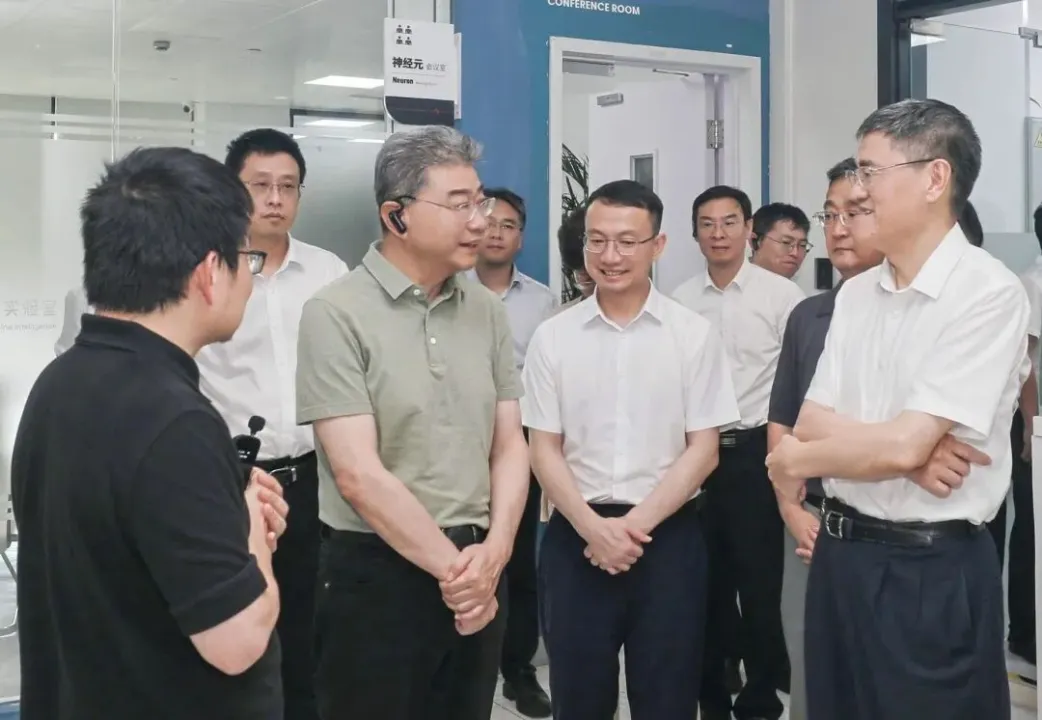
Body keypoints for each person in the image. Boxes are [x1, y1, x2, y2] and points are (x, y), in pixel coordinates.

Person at [767, 98, 1025, 719]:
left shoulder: (986, 292)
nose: (857, 191)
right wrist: (903, 452)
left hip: (928, 568)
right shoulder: (857, 294)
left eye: (870, 172)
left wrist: (810, 458)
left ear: (935, 178)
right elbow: (811, 423)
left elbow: (882, 442)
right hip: (839, 559)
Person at [11, 146, 289, 719]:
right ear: (210, 273)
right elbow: (237, 641)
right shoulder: (175, 422)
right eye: (247, 259)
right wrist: (254, 537)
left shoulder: (60, 382)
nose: (250, 279)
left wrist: (227, 516)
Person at [295, 125, 531, 720]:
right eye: (458, 205)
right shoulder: (335, 313)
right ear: (396, 216)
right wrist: (459, 577)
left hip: (479, 561)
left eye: (480, 202)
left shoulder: (485, 311)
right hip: (377, 574)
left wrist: (496, 553)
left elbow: (509, 445)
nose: (480, 221)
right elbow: (357, 474)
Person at [524, 179, 740, 720]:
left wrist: (631, 529)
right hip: (576, 539)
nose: (610, 256)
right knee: (578, 699)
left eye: (626, 242)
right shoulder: (554, 336)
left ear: (657, 246)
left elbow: (704, 450)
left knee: (667, 698)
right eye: (596, 241)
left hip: (667, 540)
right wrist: (594, 530)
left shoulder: (692, 335)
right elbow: (543, 448)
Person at [673, 185, 804, 720]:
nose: (719, 233)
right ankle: (711, 695)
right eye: (707, 223)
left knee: (759, 582)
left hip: (756, 454)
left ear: (749, 230)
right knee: (704, 582)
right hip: (697, 456)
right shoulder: (680, 300)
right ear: (695, 233)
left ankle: (760, 695)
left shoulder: (781, 297)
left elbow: (799, 381)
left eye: (730, 222)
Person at [469, 187, 554, 717]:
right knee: (460, 548)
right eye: (490, 222)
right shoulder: (447, 290)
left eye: (509, 225)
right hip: (458, 438)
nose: (497, 232)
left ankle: (518, 670)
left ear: (521, 237)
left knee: (518, 560)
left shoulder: (542, 303)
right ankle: (463, 660)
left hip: (520, 440)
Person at [750, 202, 812, 279]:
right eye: (786, 242)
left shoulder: (793, 287)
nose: (795, 253)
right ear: (755, 241)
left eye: (802, 245)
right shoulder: (737, 283)